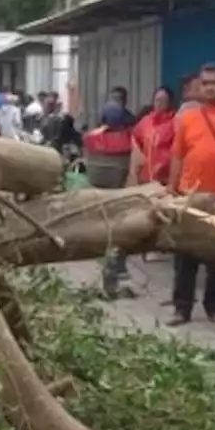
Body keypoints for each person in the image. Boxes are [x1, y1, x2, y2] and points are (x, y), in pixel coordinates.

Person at [168, 64, 215, 325]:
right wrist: (172, 189)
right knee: (185, 257)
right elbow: (177, 155)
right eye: (205, 83)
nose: (210, 87)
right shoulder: (187, 118)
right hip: (189, 196)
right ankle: (182, 310)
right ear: (199, 87)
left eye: (214, 82)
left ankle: (214, 308)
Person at [84, 103, 137, 295]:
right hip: (119, 196)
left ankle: (111, 274)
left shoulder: (91, 138)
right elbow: (136, 165)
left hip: (97, 195)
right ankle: (115, 272)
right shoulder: (128, 141)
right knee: (118, 237)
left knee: (107, 236)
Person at [129, 86, 177, 187]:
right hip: (145, 178)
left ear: (169, 102)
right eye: (157, 100)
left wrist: (164, 163)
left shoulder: (174, 123)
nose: (159, 103)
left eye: (163, 100)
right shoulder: (146, 121)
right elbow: (134, 137)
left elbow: (178, 150)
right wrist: (137, 155)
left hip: (165, 179)